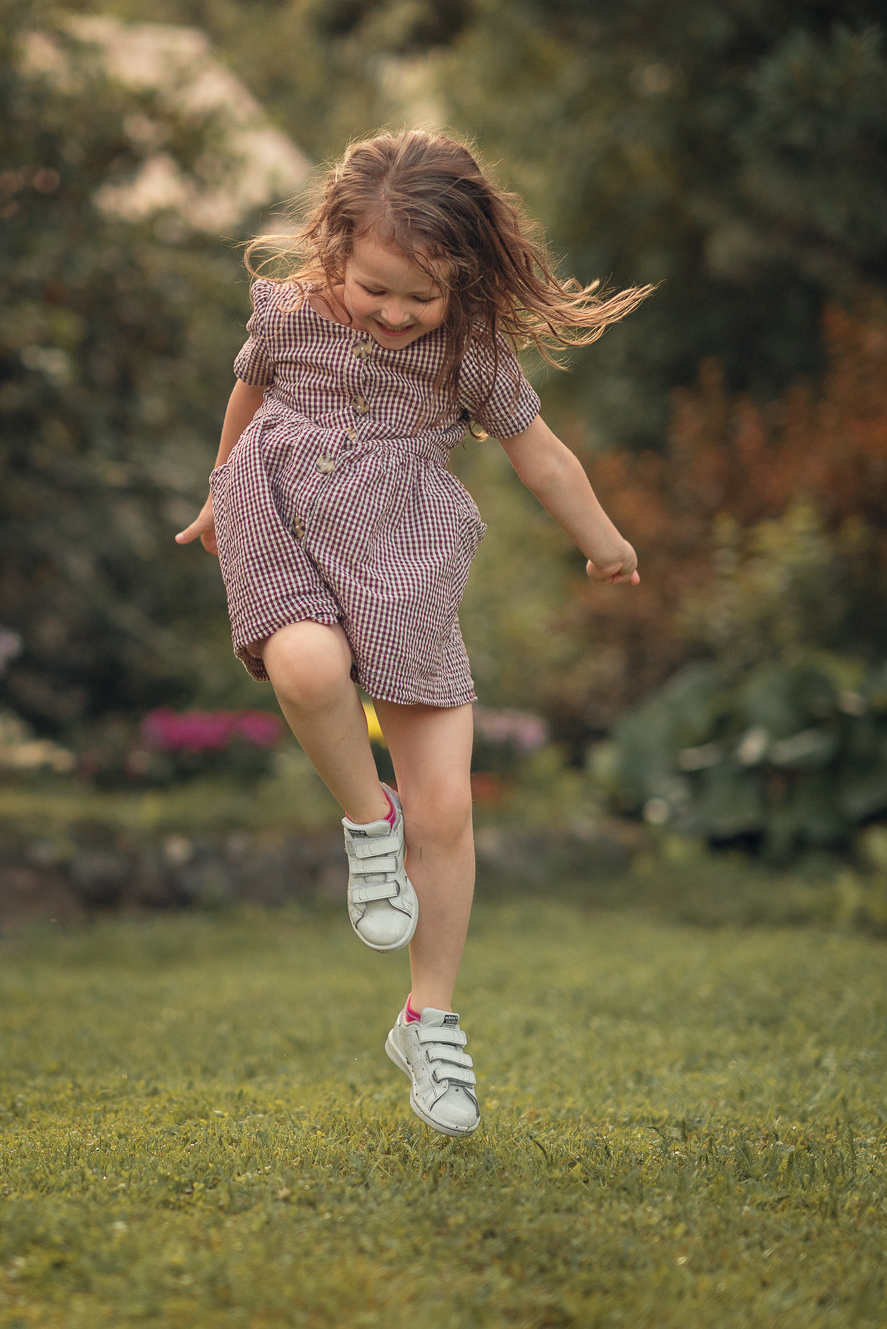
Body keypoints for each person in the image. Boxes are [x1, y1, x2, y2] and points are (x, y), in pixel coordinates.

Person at [175, 131, 649, 1138]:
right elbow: (247, 392)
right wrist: (219, 491)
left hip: (404, 557)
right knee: (307, 666)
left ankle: (428, 1020)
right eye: (374, 288)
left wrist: (602, 539)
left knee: (445, 806)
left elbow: (541, 454)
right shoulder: (289, 312)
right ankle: (365, 822)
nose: (392, 314)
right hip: (279, 521)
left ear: (462, 280)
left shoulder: (470, 352)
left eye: (419, 297)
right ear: (335, 248)